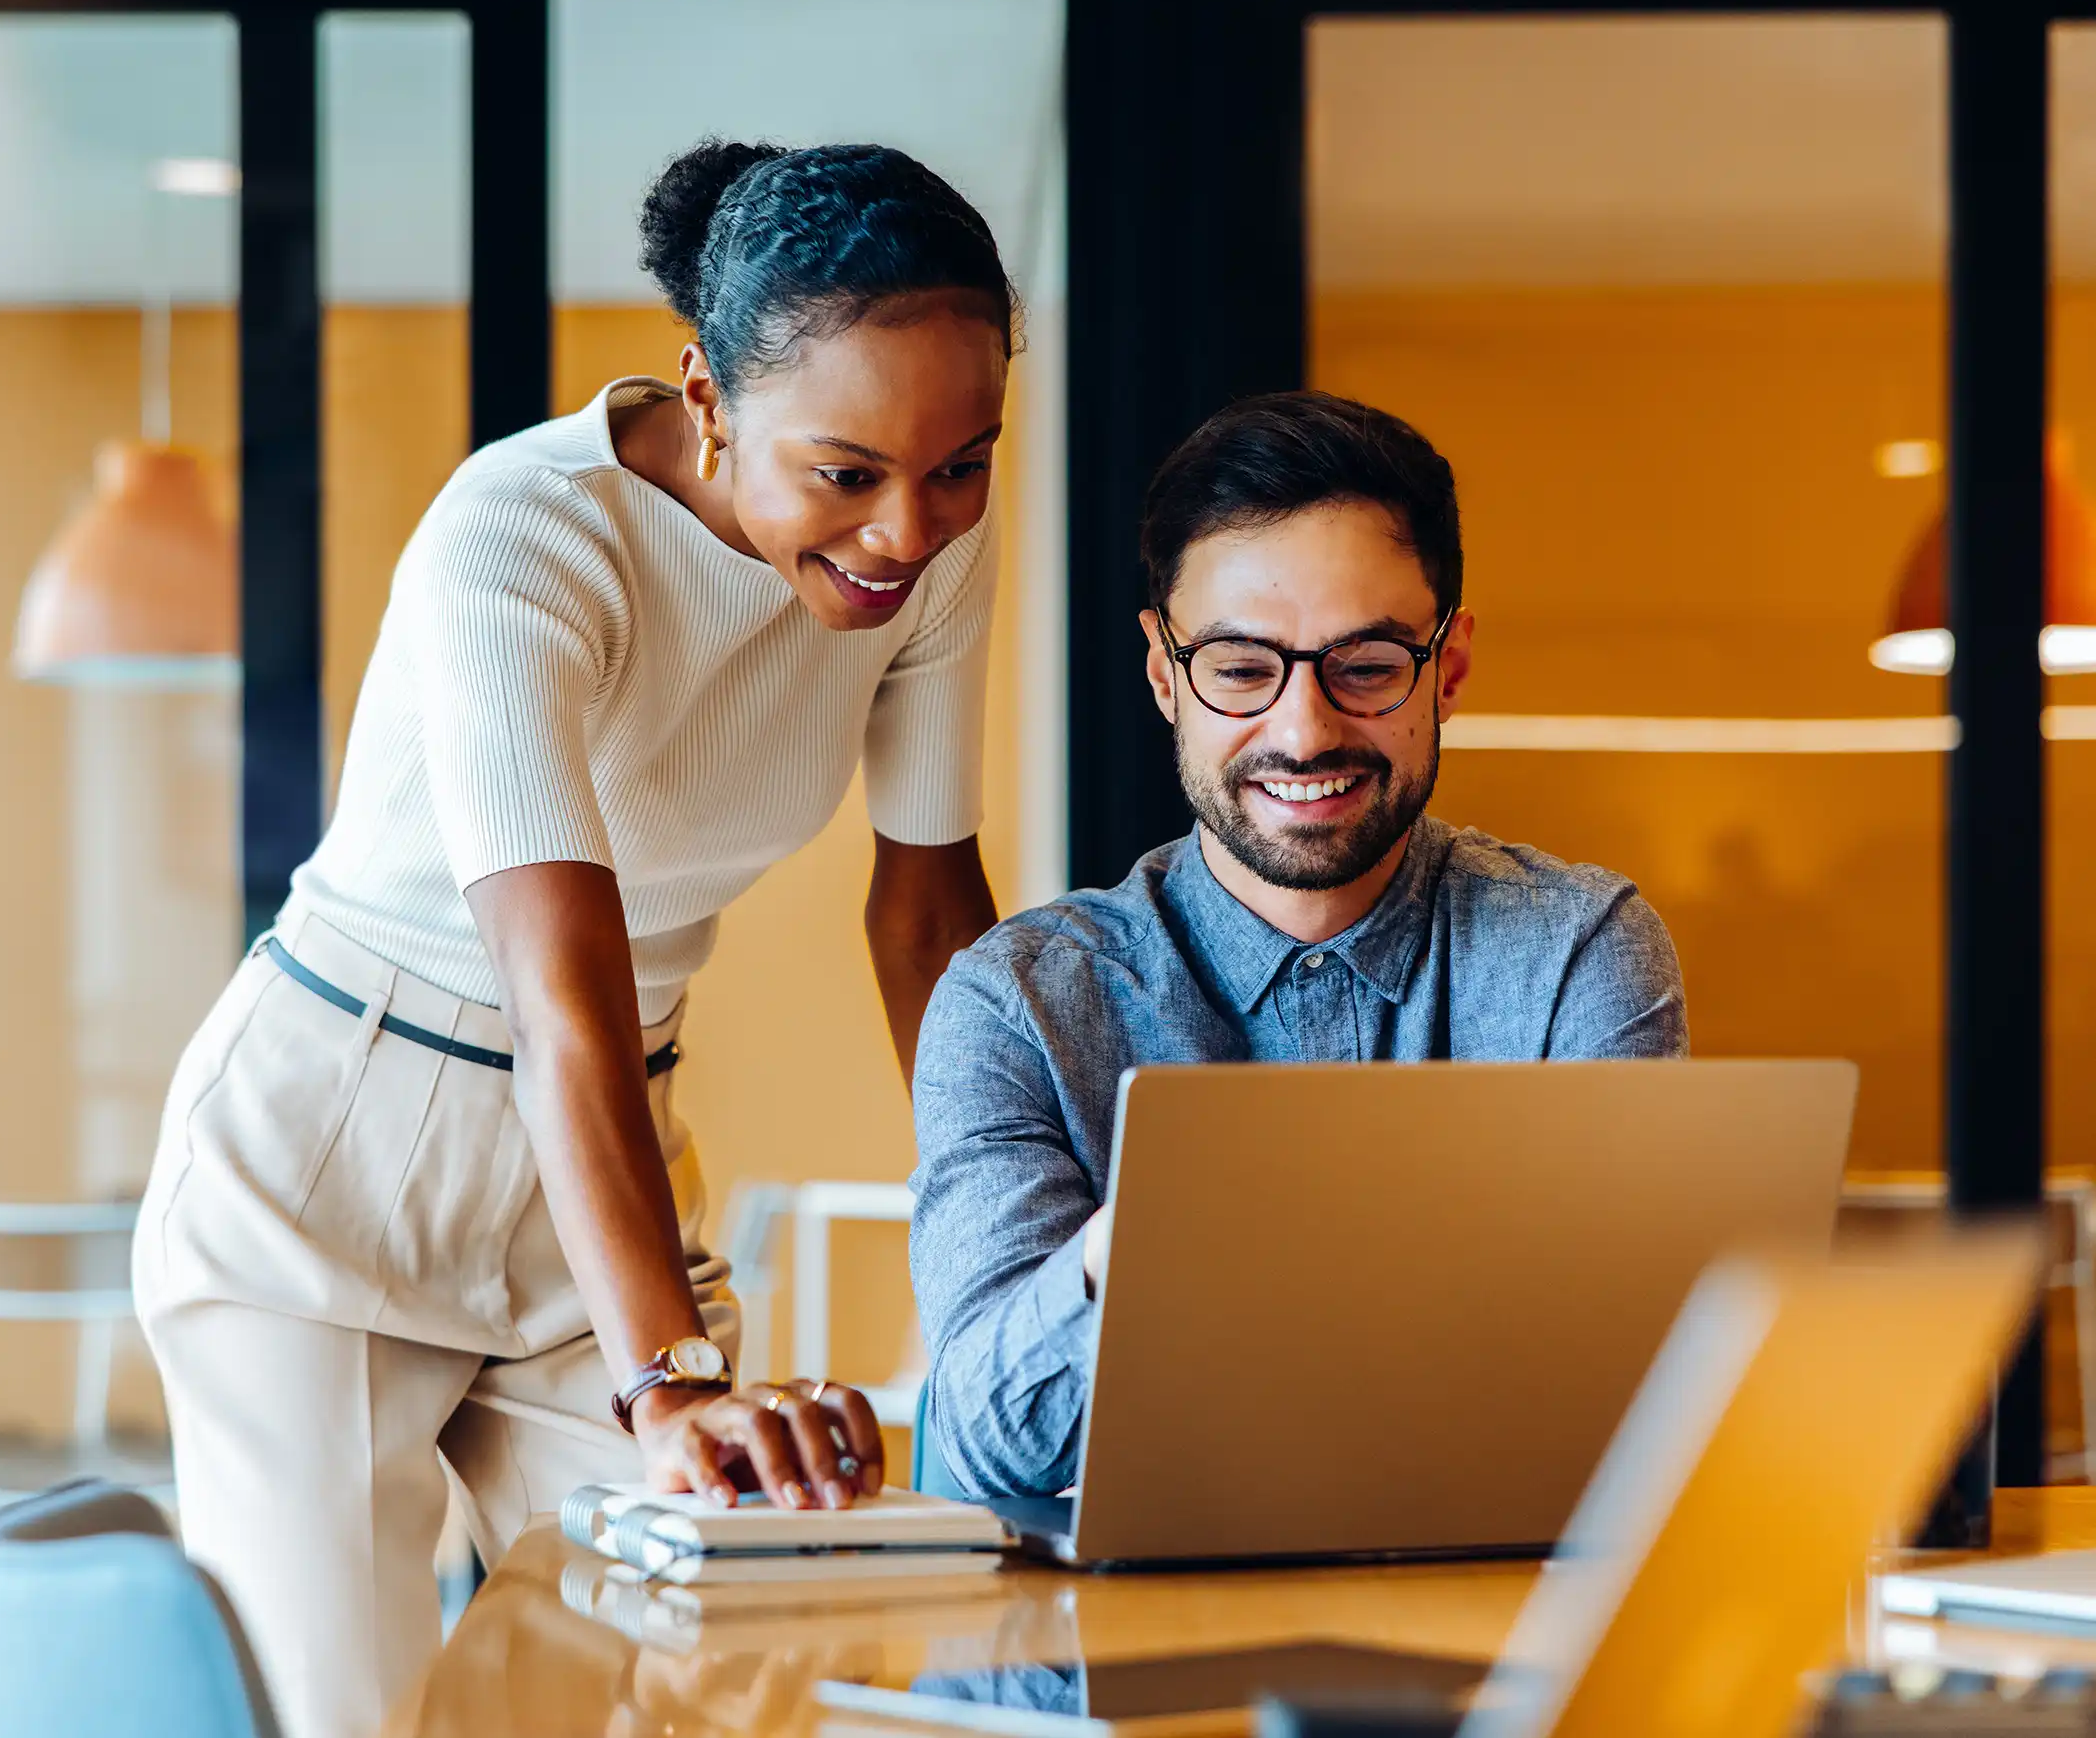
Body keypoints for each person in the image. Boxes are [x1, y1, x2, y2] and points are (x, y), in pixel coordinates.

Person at [135, 139, 1013, 1738]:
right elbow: (562, 994)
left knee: (720, 1667)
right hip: (328, 1171)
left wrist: (1018, 1241)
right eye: (848, 472)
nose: (907, 528)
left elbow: (931, 915)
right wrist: (670, 1380)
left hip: (601, 1157)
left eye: (962, 463)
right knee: (353, 1716)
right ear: (707, 395)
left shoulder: (927, 546)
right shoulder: (521, 539)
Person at [908, 389, 1688, 1499]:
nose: (1304, 728)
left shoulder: (1576, 954)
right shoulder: (1017, 1003)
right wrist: (1160, 1235)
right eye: (1238, 669)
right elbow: (992, 1437)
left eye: (1366, 666)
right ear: (1162, 674)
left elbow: (1636, 1396)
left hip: (1480, 1638)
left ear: (1448, 668)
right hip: (1121, 1652)